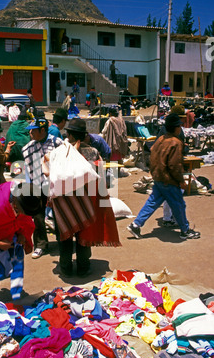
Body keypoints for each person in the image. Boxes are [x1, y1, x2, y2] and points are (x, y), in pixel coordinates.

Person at [51, 118, 121, 277]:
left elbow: (51, 177)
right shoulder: (93, 153)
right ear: (83, 136)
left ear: (69, 134)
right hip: (85, 201)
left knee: (65, 236)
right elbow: (100, 179)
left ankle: (66, 267)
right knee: (83, 235)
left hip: (63, 201)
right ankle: (83, 267)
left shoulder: (58, 152)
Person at [127, 113, 201, 241]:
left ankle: (135, 225)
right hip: (169, 180)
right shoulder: (176, 143)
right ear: (176, 128)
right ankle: (185, 230)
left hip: (159, 178)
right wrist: (181, 180)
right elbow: (174, 166)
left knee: (152, 203)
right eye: (179, 126)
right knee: (178, 204)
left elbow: (153, 156)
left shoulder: (160, 139)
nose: (180, 128)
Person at [22, 114, 63, 259]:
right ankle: (40, 245)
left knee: (59, 216)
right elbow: (28, 169)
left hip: (56, 185)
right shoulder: (28, 148)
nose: (30, 133)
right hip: (37, 186)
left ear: (43, 130)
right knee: (38, 217)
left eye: (33, 130)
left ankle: (62, 242)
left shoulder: (57, 143)